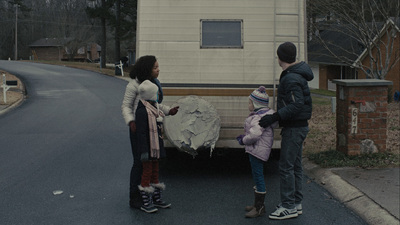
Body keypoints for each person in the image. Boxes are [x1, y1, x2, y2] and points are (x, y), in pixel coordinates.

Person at [258, 42, 313, 220]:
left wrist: (274, 117)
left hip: (294, 128)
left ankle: (288, 206)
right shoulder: (296, 74)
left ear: (279, 57)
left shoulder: (291, 78)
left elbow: (297, 104)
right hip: (298, 126)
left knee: (286, 167)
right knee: (295, 166)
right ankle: (296, 203)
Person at [121, 55, 179, 209]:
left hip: (153, 128)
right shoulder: (134, 85)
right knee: (139, 162)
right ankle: (135, 197)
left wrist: (169, 111)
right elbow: (126, 106)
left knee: (153, 163)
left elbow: (156, 106)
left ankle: (151, 196)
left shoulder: (154, 84)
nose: (158, 70)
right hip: (138, 128)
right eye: (155, 67)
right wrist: (131, 121)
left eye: (158, 67)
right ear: (147, 69)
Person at [236, 86, 279, 218]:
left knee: (258, 177)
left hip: (257, 151)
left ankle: (260, 208)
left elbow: (254, 135)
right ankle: (257, 204)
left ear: (256, 104)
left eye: (250, 102)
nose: (248, 105)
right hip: (259, 150)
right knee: (257, 176)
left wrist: (243, 140)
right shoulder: (266, 115)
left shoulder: (258, 118)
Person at [136, 80, 171, 213]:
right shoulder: (142, 112)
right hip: (148, 149)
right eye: (156, 93)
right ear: (150, 95)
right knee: (147, 173)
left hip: (155, 147)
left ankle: (156, 198)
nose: (158, 95)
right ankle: (146, 201)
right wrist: (144, 151)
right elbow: (141, 134)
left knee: (155, 171)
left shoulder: (154, 108)